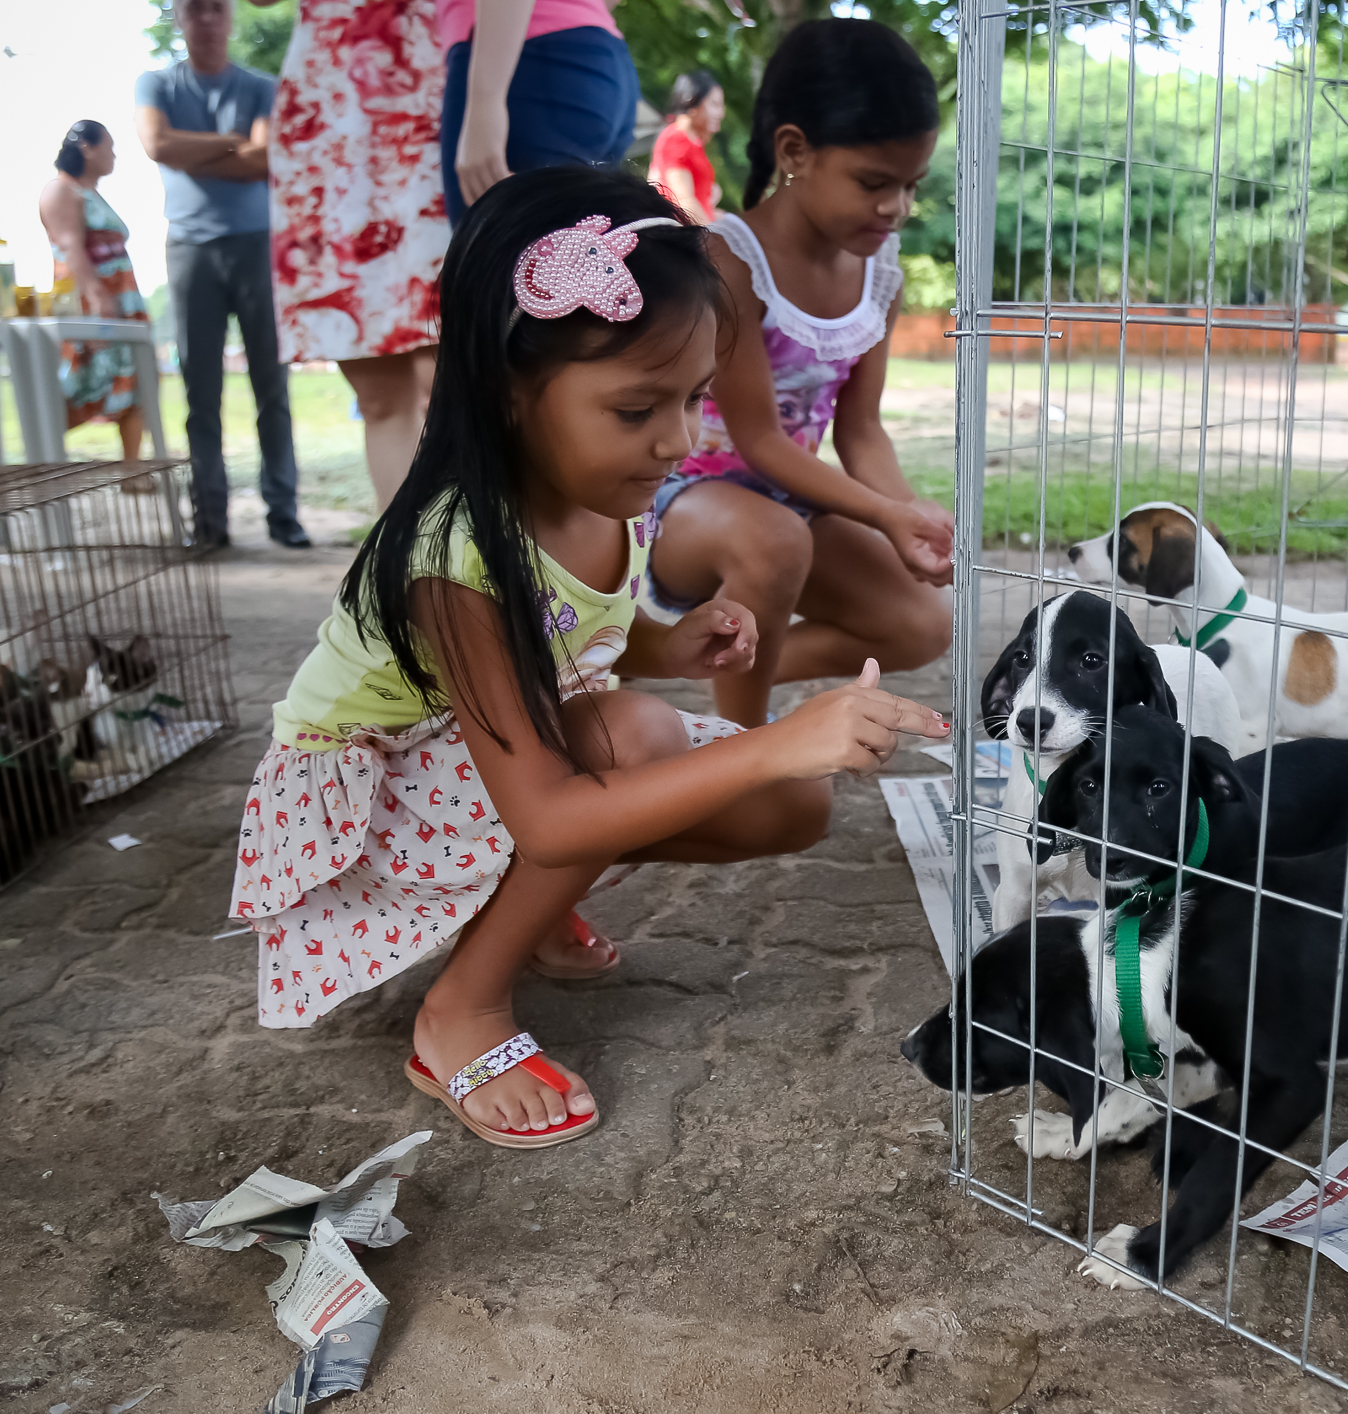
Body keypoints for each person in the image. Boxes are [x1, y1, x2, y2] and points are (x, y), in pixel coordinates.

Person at [229, 167, 948, 1145]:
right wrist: (776, 737)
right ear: (511, 389)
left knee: (795, 804)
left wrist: (671, 640)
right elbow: (554, 812)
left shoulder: (601, 498)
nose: (679, 440)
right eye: (637, 408)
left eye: (693, 399)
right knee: (636, 740)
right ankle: (462, 1009)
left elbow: (574, 637)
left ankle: (516, 904)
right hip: (370, 802)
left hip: (489, 761)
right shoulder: (457, 557)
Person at [647, 20, 954, 728]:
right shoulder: (729, 260)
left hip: (786, 504)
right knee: (775, 540)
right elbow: (758, 440)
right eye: (873, 182)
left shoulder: (880, 274)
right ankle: (741, 740)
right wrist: (882, 516)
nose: (895, 208)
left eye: (911, 185)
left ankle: (690, 659)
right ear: (795, 151)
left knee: (920, 623)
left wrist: (907, 516)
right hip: (680, 504)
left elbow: (863, 431)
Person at [259, 0, 451, 512]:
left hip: (437, 98)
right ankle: (415, 572)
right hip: (333, 117)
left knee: (456, 374)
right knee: (378, 393)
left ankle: (490, 559)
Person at [137, 0, 310, 550]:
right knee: (200, 391)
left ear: (230, 18)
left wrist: (196, 152)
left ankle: (283, 513)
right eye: (194, 10)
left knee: (272, 386)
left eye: (216, 9)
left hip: (256, 244)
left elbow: (266, 159)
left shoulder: (260, 85)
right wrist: (233, 142)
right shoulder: (156, 83)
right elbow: (156, 144)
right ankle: (210, 521)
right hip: (188, 247)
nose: (207, 19)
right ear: (180, 20)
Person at [437, 0, 639, 225]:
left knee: (496, 250)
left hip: (526, 60)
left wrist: (487, 100)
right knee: (578, 249)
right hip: (599, 61)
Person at [38, 122, 150, 462]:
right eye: (109, 147)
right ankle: (41, 462)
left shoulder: (94, 194)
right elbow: (70, 246)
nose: (113, 155)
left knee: (136, 384)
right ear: (87, 146)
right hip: (91, 305)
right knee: (78, 385)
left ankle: (133, 472)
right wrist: (99, 298)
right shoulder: (61, 190)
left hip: (122, 302)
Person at [648, 70, 724, 226]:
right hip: (691, 239)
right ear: (693, 102)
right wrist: (714, 239)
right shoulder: (676, 140)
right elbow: (684, 202)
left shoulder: (690, 141)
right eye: (715, 105)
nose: (721, 113)